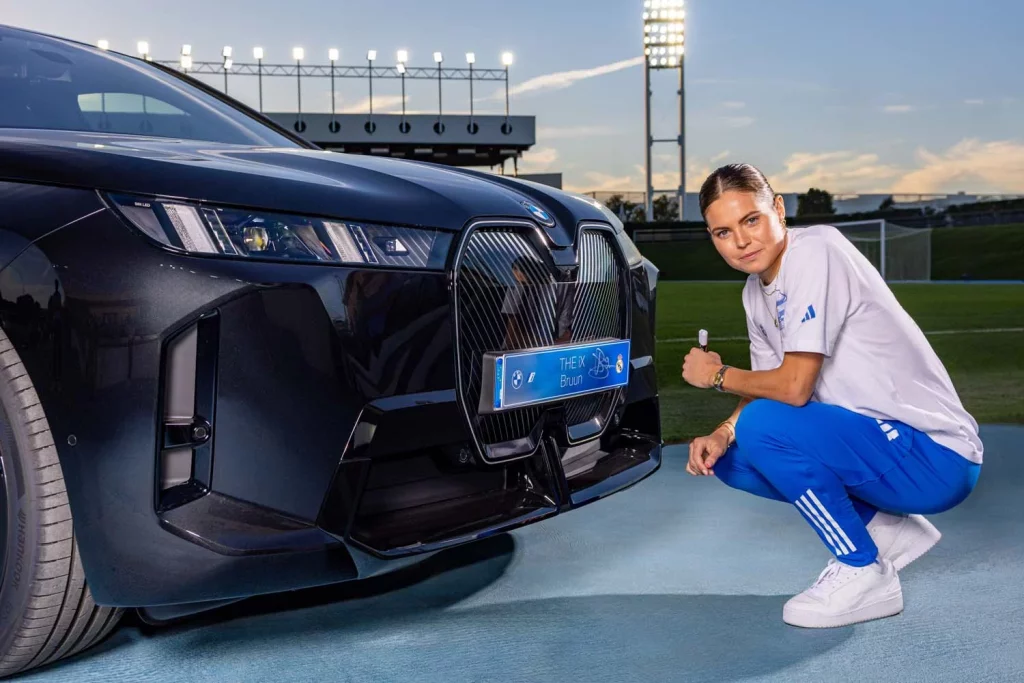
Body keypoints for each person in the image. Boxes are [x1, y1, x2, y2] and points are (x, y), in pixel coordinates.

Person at [680, 163, 983, 629]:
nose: (740, 241)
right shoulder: (753, 294)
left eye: (751, 220)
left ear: (779, 210)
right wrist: (721, 433)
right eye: (722, 232)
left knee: (762, 426)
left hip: (936, 455)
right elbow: (768, 387)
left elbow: (794, 388)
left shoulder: (816, 250)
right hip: (878, 445)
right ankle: (885, 529)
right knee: (728, 458)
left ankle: (862, 568)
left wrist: (718, 375)